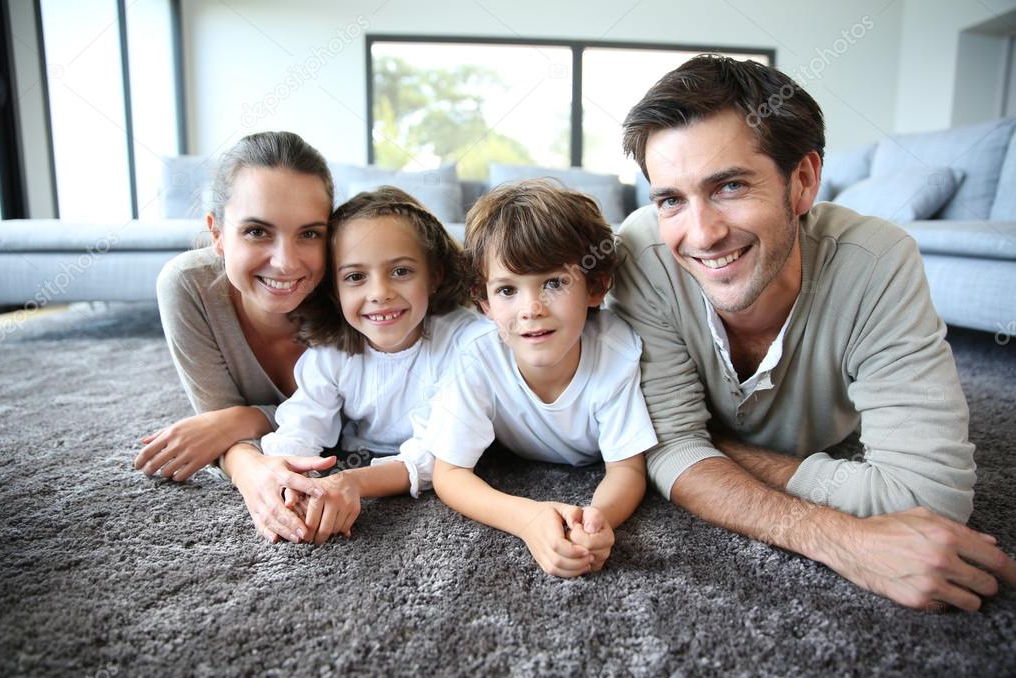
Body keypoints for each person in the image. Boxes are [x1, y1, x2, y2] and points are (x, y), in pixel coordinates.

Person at [609, 54, 1016, 611]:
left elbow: (929, 501)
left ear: (802, 182)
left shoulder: (878, 262)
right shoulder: (642, 252)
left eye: (729, 186)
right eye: (671, 200)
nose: (701, 234)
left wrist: (713, 451)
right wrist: (839, 539)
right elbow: (670, 447)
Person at [417, 180, 657, 577]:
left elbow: (627, 469)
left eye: (554, 283)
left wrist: (596, 521)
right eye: (507, 290)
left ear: (595, 287)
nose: (531, 309)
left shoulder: (616, 351)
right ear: (484, 303)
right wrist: (526, 518)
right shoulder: (477, 357)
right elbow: (450, 473)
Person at [137, 131, 342, 544]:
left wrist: (241, 418)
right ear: (217, 233)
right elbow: (217, 422)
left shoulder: (353, 286)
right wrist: (252, 473)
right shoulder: (188, 286)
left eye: (309, 234)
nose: (285, 264)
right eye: (256, 232)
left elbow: (361, 420)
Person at [260, 186, 474, 543]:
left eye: (401, 271)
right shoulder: (331, 354)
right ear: (334, 290)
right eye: (356, 277)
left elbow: (440, 452)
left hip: (404, 468)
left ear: (434, 276)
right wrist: (293, 484)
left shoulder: (462, 344)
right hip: (358, 454)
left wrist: (353, 482)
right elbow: (302, 425)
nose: (379, 293)